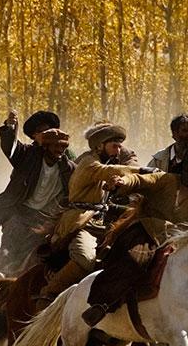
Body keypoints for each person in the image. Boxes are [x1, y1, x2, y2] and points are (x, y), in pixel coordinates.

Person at [82, 145, 188, 325]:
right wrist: (122, 182)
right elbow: (139, 180)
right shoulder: (166, 180)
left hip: (177, 244)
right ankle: (102, 304)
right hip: (147, 234)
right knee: (136, 260)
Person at [37, 122, 142, 303]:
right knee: (85, 259)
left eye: (119, 146)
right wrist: (145, 171)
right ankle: (48, 292)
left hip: (100, 223)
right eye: (114, 146)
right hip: (80, 222)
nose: (118, 151)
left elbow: (113, 176)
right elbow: (109, 171)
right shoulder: (89, 163)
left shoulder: (102, 162)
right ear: (100, 145)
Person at [0, 110, 75, 275]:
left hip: (43, 220)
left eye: (62, 146)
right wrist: (11, 127)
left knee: (32, 258)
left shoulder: (68, 167)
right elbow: (10, 147)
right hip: (18, 213)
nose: (59, 150)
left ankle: (13, 280)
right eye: (42, 132)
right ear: (39, 139)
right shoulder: (27, 155)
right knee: (8, 252)